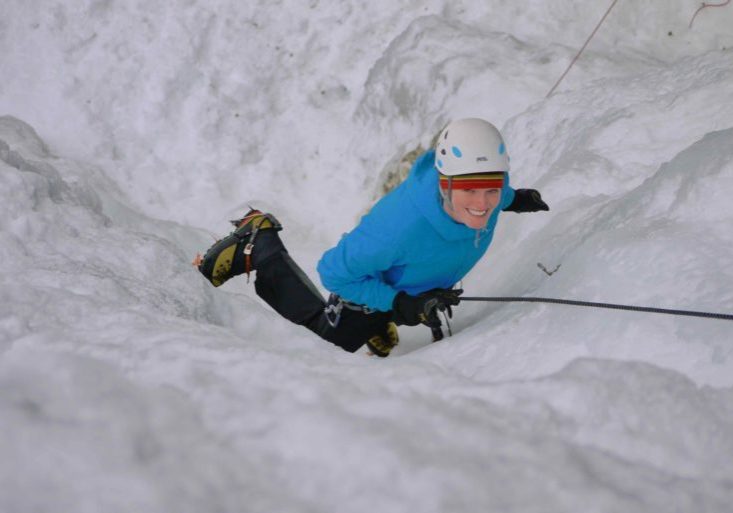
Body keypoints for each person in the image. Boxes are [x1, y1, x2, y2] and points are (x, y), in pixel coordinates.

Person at [194, 118, 548, 357]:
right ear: (444, 183)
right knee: (327, 346)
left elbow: (489, 190)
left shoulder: (489, 196)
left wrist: (515, 199)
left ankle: (379, 322)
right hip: (365, 287)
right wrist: (396, 304)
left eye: (493, 189)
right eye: (470, 190)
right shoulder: (398, 229)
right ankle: (260, 243)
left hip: (406, 285)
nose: (483, 204)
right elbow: (333, 271)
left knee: (387, 309)